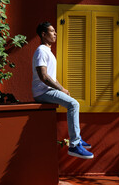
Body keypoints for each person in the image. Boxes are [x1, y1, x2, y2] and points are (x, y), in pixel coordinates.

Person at [32, 21, 94, 159]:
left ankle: (77, 138)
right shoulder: (41, 51)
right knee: (74, 104)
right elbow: (43, 76)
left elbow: (51, 76)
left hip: (47, 90)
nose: (55, 34)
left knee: (72, 103)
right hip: (42, 92)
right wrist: (60, 89)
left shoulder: (47, 51)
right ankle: (74, 145)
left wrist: (62, 89)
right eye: (52, 31)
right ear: (43, 34)